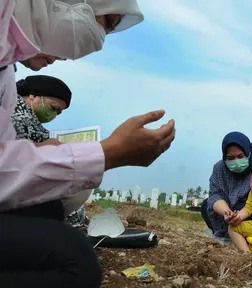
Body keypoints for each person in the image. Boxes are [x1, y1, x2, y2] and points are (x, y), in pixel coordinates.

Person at [0, 1, 175, 287]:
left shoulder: (5, 70)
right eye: (103, 22)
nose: (97, 41)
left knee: (48, 213)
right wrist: (109, 153)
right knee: (74, 259)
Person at [12, 75, 89, 229]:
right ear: (33, 96)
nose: (54, 115)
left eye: (59, 113)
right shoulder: (20, 118)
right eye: (54, 108)